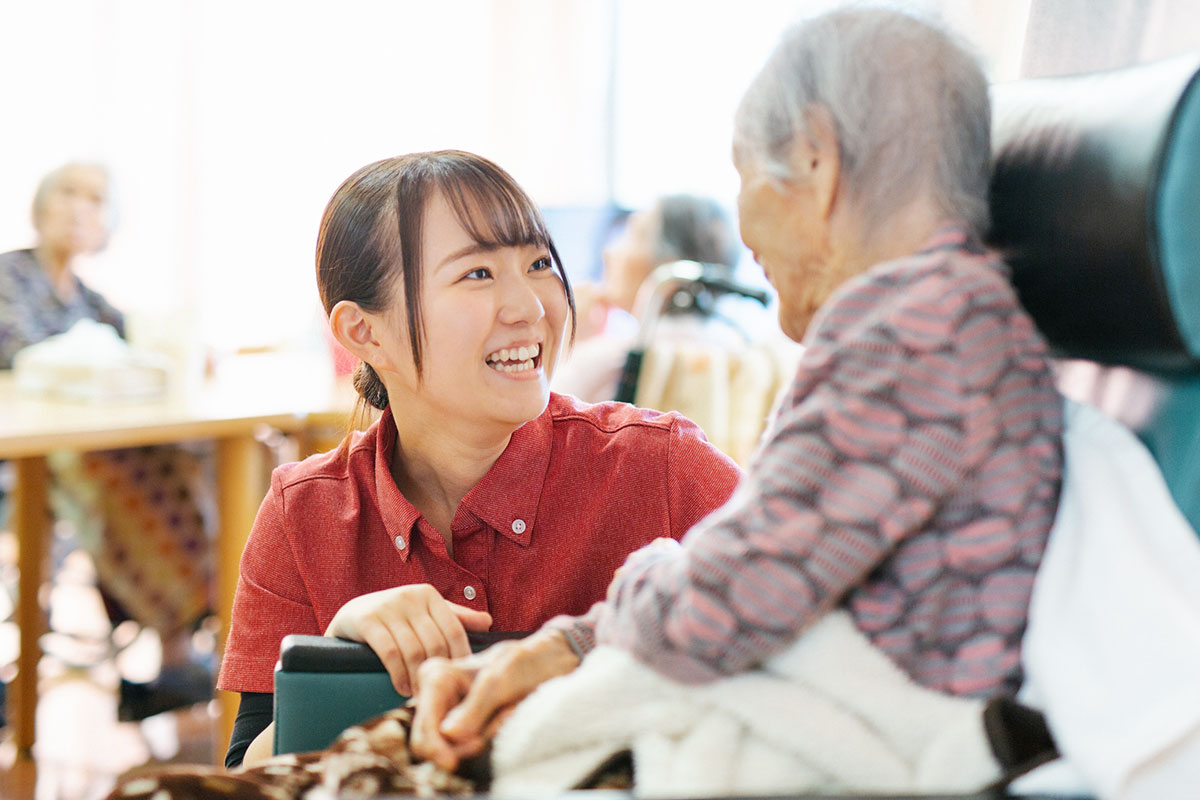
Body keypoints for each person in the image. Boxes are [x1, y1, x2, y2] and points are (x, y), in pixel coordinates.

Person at [408, 6, 1065, 780]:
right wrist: (558, 652)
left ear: (817, 160)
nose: (743, 227)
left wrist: (557, 648)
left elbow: (736, 596)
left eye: (745, 172)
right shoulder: (943, 317)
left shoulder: (918, 332)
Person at [216, 151, 743, 767]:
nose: (529, 306)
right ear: (365, 333)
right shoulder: (303, 512)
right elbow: (246, 774)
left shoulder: (665, 469)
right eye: (477, 275)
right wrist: (338, 655)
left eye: (539, 263)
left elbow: (821, 638)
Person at [0, 162, 214, 723]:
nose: (78, 208)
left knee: (192, 458)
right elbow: (24, 360)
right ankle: (177, 644)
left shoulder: (90, 298)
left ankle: (182, 643)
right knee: (129, 473)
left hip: (85, 453)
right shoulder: (9, 279)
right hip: (26, 458)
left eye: (94, 199)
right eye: (67, 193)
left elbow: (132, 349)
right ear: (42, 207)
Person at [552, 193, 744, 404]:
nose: (609, 252)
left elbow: (540, 424)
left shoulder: (617, 362)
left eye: (633, 235)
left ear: (670, 266)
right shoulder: (735, 350)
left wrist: (570, 341)